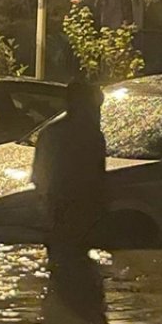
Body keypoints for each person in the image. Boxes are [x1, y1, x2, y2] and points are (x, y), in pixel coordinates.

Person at [31, 80, 106, 263]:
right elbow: (98, 174)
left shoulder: (51, 132)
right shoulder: (91, 134)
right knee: (77, 260)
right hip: (77, 206)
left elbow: (38, 173)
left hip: (58, 206)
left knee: (61, 260)